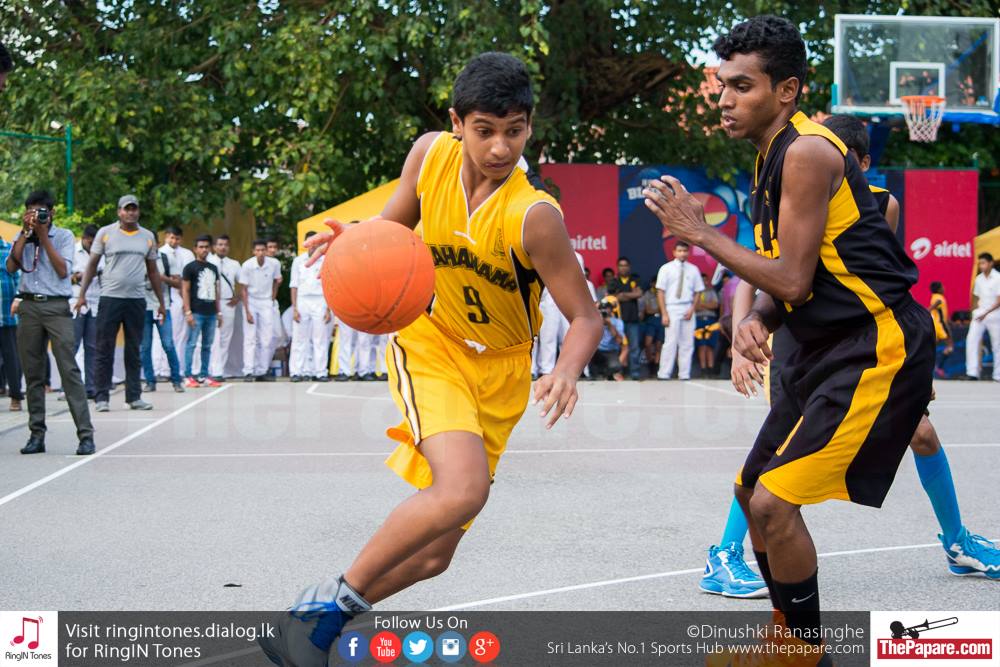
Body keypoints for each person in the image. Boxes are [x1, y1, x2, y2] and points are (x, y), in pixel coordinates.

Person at [258, 51, 602, 667]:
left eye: (515, 130)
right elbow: (392, 229)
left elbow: (586, 316)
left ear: (530, 126)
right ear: (456, 123)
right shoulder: (429, 155)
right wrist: (356, 241)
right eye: (485, 130)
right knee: (463, 490)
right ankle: (322, 613)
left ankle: (309, 620)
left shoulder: (534, 216)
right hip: (433, 344)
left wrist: (566, 369)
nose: (500, 147)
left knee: (435, 555)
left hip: (501, 372)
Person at [644, 16, 934, 661]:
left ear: (787, 90)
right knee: (751, 495)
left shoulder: (806, 152)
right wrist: (757, 316)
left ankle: (806, 653)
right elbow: (795, 275)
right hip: (826, 344)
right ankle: (787, 639)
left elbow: (795, 278)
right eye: (723, 85)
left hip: (875, 344)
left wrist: (700, 232)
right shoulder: (771, 155)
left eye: (742, 86)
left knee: (775, 503)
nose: (725, 99)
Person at [7, 190, 95, 455]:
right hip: (28, 306)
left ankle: (85, 435)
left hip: (56, 307)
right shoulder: (22, 235)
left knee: (69, 370)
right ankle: (36, 435)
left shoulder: (65, 236)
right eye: (31, 211)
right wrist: (26, 234)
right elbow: (11, 267)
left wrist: (44, 237)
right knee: (33, 374)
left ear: (52, 212)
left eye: (41, 211)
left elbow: (62, 270)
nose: (36, 216)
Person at [77, 194, 165, 412]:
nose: (131, 212)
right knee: (104, 348)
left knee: (134, 349)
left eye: (134, 209)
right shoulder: (105, 233)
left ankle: (134, 397)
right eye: (127, 209)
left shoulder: (147, 237)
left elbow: (153, 271)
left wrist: (161, 302)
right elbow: (91, 265)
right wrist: (81, 294)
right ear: (119, 212)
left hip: (136, 300)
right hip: (110, 298)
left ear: (138, 211)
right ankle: (101, 397)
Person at [535, 251, 592, 378]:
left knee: (569, 336)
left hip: (569, 297)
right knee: (548, 336)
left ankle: (571, 370)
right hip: (549, 298)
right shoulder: (545, 253)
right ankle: (546, 370)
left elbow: (580, 279)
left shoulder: (577, 256)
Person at [655, 241, 704, 380]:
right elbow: (660, 292)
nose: (682, 253)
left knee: (687, 343)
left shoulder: (693, 269)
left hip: (687, 307)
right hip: (672, 307)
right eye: (680, 251)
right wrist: (664, 313)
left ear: (688, 252)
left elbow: (698, 291)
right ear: (674, 252)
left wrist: (692, 309)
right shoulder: (666, 268)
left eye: (685, 251)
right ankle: (664, 373)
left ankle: (684, 374)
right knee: (670, 342)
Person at [289, 231, 333, 382]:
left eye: (316, 243)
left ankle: (320, 372)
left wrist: (328, 309)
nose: (313, 246)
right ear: (305, 244)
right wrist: (294, 308)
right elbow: (294, 285)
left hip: (320, 300)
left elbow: (329, 285)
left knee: (320, 338)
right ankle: (296, 371)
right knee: (299, 338)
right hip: (302, 300)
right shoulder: (298, 261)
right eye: (310, 243)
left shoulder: (325, 260)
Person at [140, 244, 184, 393]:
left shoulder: (166, 259)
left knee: (168, 344)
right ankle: (149, 381)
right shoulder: (138, 258)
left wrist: (161, 278)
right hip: (143, 307)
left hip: (162, 306)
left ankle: (176, 380)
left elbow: (178, 283)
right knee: (145, 347)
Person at [181, 235, 222, 387]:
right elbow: (185, 290)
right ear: (195, 249)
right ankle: (188, 375)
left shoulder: (213, 268)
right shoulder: (189, 267)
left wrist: (219, 312)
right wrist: (188, 311)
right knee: (191, 344)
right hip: (196, 311)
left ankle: (204, 375)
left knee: (207, 345)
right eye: (201, 247)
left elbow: (216, 291)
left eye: (206, 247)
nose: (204, 249)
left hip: (211, 312)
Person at [239, 239, 281, 381]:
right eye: (258, 250)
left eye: (263, 250)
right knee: (250, 338)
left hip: (266, 301)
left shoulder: (274, 264)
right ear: (253, 252)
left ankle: (262, 371)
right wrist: (247, 311)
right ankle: (248, 371)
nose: (261, 253)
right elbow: (243, 289)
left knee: (267, 338)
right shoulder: (247, 265)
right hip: (251, 301)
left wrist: (272, 299)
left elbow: (277, 281)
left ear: (266, 251)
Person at [156, 225, 195, 378]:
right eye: (171, 237)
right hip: (164, 296)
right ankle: (162, 369)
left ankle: (177, 369)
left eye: (177, 238)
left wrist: (186, 299)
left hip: (183, 295)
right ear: (166, 237)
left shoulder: (187, 254)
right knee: (163, 336)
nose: (174, 241)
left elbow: (187, 278)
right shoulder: (161, 253)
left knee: (181, 334)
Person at [70, 225, 102, 398]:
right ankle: (68, 387)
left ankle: (91, 386)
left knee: (92, 347)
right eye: (90, 242)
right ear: (84, 238)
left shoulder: (102, 253)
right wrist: (80, 276)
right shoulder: (72, 251)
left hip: (95, 302)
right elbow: (63, 276)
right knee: (73, 345)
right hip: (76, 302)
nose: (93, 246)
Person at [208, 234, 241, 381]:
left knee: (225, 339)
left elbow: (244, 283)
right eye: (220, 244)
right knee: (213, 338)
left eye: (225, 245)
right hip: (211, 304)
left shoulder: (234, 264)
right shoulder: (208, 261)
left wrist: (238, 297)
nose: (222, 247)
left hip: (228, 304)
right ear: (214, 247)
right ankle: (211, 370)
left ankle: (220, 371)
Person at [604, 257, 643, 379]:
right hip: (617, 321)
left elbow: (639, 293)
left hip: (632, 319)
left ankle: (635, 373)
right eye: (621, 265)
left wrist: (623, 294)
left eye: (625, 265)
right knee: (618, 347)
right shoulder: (614, 281)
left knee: (634, 347)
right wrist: (631, 295)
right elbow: (612, 298)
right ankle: (618, 373)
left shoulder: (634, 279)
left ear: (629, 267)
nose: (623, 268)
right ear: (617, 267)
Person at [964, 252, 1000, 381]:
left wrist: (986, 313)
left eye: (983, 263)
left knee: (997, 344)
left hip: (995, 314)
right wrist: (974, 312)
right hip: (980, 313)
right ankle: (972, 372)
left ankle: (997, 374)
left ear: (991, 263)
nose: (981, 266)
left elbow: (999, 300)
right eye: (980, 263)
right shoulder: (979, 278)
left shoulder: (998, 278)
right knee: (971, 340)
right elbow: (976, 298)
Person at [0, 232, 24, 412]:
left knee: (11, 358)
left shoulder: (9, 249)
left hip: (7, 314)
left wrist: (18, 298)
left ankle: (16, 396)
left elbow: (19, 278)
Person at [590, 297, 625, 381]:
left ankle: (607, 374)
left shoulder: (617, 322)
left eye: (606, 308)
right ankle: (594, 374)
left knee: (615, 367)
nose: (604, 310)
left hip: (611, 351)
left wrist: (609, 324)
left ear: (611, 309)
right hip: (597, 350)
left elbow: (619, 341)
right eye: (601, 308)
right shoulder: (594, 320)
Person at [694, 272, 720, 376]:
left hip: (711, 320)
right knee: (702, 345)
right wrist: (707, 305)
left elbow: (715, 305)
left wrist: (701, 305)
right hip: (699, 320)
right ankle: (703, 369)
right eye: (701, 280)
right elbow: (694, 307)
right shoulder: (694, 292)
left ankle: (710, 368)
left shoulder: (711, 291)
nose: (703, 282)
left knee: (710, 345)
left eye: (705, 280)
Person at [639, 276, 663, 377]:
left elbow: (664, 309)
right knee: (648, 343)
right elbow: (648, 310)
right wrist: (659, 309)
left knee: (659, 345)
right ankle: (650, 362)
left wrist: (660, 310)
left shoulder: (663, 294)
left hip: (661, 320)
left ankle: (656, 367)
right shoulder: (647, 294)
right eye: (655, 283)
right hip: (651, 320)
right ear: (652, 284)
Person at [928, 281, 953, 375]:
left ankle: (930, 366)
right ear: (939, 289)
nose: (944, 288)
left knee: (931, 348)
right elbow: (932, 307)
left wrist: (950, 321)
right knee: (950, 347)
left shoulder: (934, 297)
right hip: (941, 325)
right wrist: (924, 313)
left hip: (936, 325)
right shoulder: (938, 298)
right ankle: (939, 367)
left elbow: (941, 312)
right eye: (942, 287)